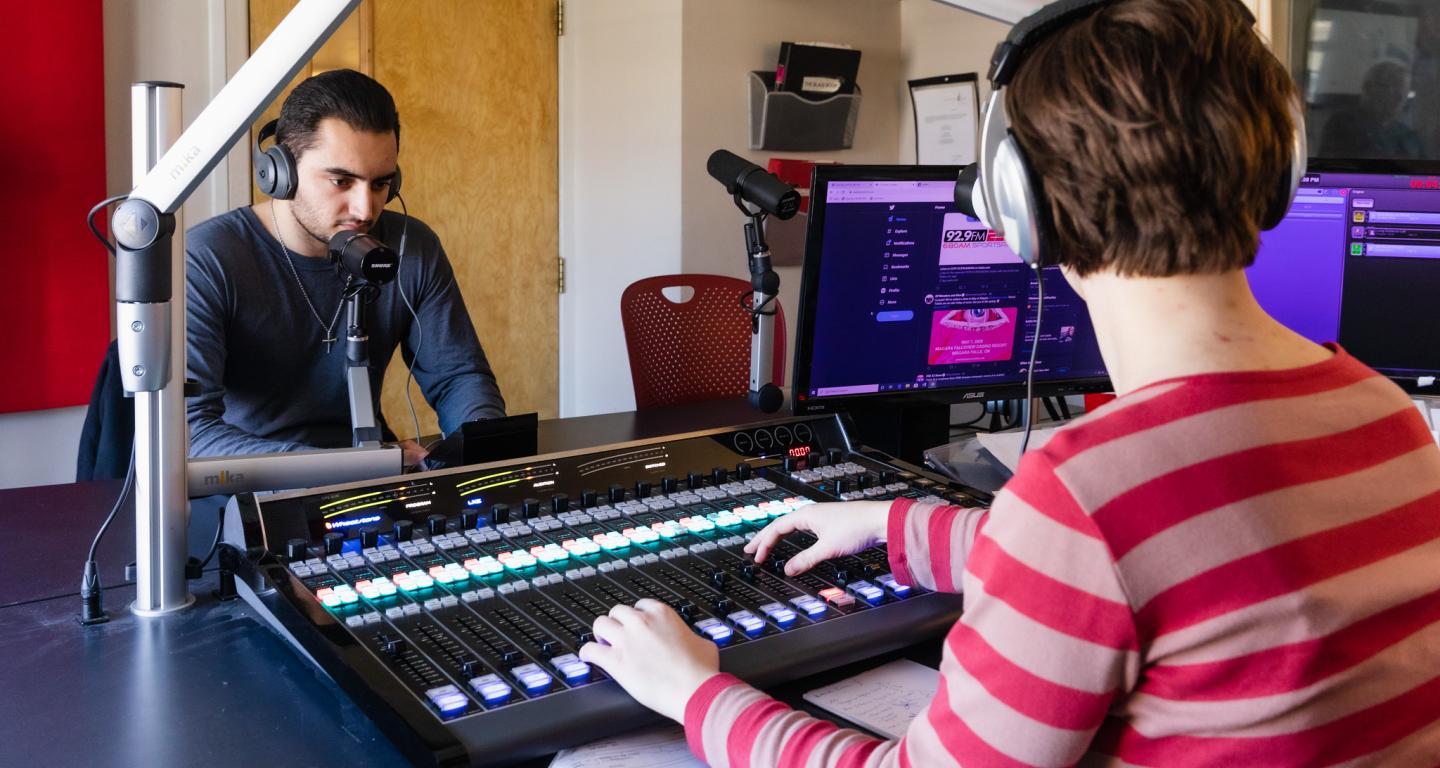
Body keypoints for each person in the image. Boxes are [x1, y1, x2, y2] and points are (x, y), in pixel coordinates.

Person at [577, 1, 1440, 765]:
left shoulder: (1088, 491)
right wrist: (897, 523)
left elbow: (1102, 548)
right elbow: (1168, 569)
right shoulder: (1382, 412)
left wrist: (692, 689)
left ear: (1018, 201)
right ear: (1278, 161)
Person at [186, 69, 504, 466]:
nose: (365, 209)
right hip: (249, 489)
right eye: (341, 181)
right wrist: (350, 467)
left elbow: (458, 377)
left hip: (370, 479)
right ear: (280, 172)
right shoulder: (208, 258)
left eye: (380, 184)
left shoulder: (411, 246)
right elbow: (190, 433)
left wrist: (478, 451)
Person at [1319, 60, 1424, 160]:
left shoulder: (1408, 135)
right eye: (1392, 87)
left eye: (1404, 90)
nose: (1400, 96)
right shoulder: (1342, 124)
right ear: (1368, 88)